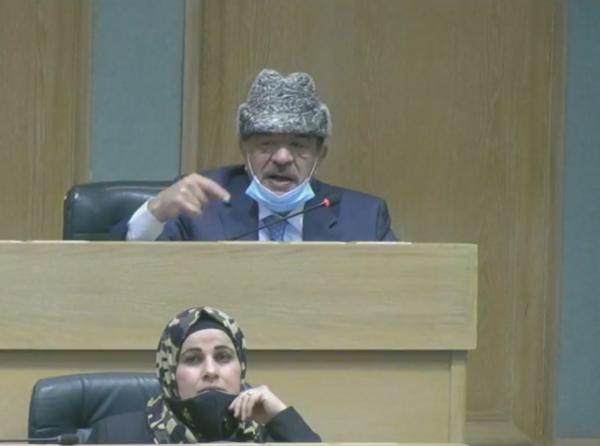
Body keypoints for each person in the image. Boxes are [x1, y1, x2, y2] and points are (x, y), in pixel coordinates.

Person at [114, 68, 397, 242]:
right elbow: (121, 270)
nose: (282, 158)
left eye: (298, 145)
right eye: (266, 143)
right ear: (244, 149)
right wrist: (155, 212)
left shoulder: (363, 218)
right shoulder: (201, 209)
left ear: (320, 155)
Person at [87, 306, 320, 443]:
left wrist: (280, 417)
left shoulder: (270, 435)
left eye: (223, 357)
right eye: (193, 359)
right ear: (169, 374)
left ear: (241, 368)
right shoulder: (115, 436)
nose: (210, 371)